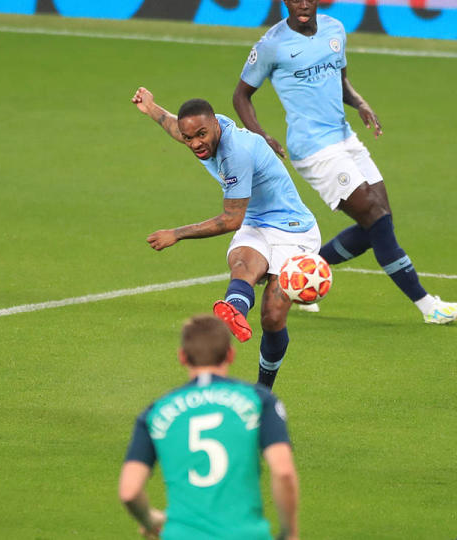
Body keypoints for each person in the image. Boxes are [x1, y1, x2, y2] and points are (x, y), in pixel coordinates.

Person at [232, 0, 457, 324]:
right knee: (376, 219)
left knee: (377, 222)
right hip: (313, 149)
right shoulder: (272, 44)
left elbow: (340, 79)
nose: (302, 4)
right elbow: (241, 96)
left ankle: (298, 274)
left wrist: (359, 102)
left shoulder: (335, 30)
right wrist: (260, 134)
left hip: (344, 138)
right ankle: (429, 306)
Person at [132, 87, 320, 388]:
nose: (195, 143)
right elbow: (174, 126)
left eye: (201, 135)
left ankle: (263, 391)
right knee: (243, 263)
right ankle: (234, 312)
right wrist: (152, 107)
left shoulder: (236, 154)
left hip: (292, 228)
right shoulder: (203, 129)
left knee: (272, 317)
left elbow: (231, 220)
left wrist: (176, 234)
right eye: (189, 137)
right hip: (256, 221)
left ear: (215, 126)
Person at [119, 314, 299, 540]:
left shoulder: (156, 412)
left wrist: (150, 519)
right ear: (230, 354)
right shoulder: (260, 401)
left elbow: (129, 491)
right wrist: (289, 532)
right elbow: (283, 471)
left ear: (182, 357)